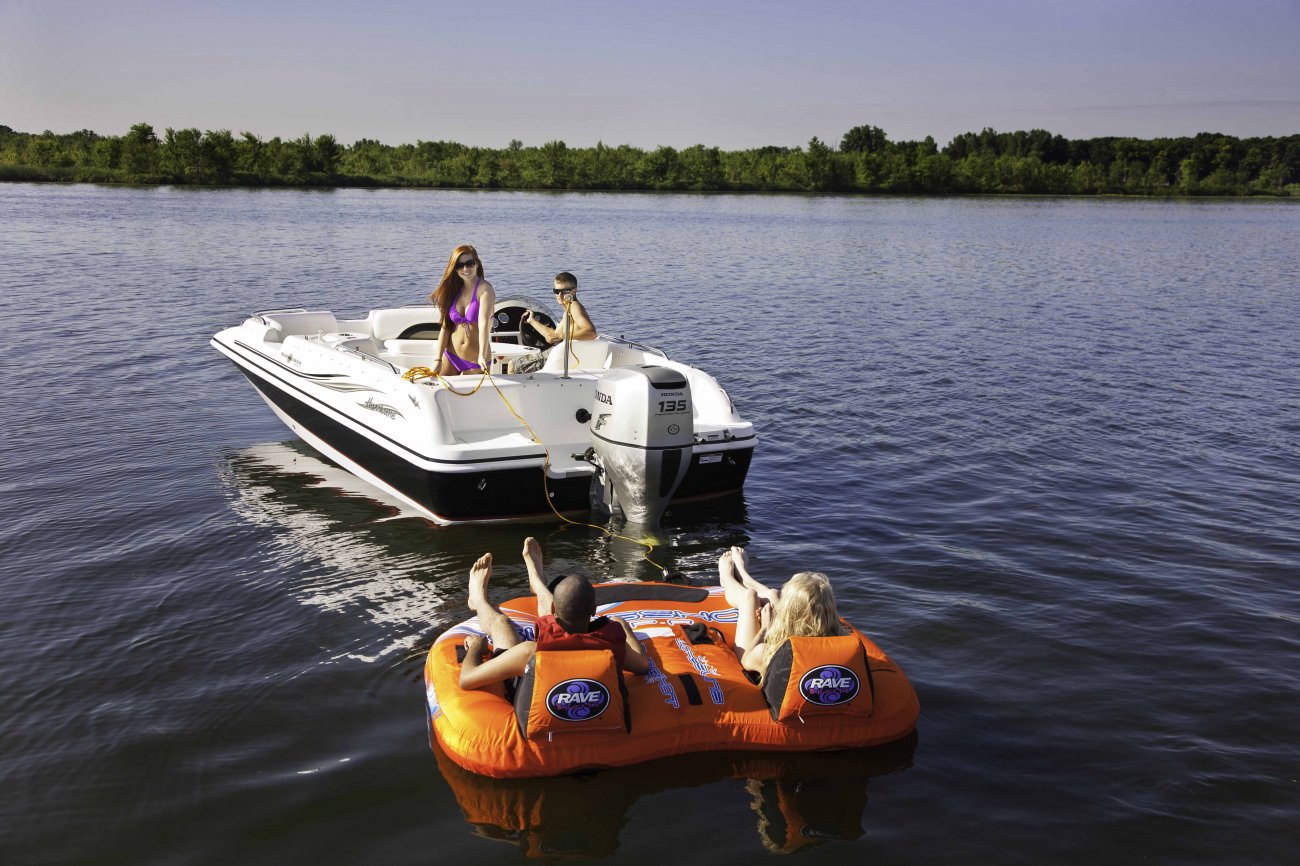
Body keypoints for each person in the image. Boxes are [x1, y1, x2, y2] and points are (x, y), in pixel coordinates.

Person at [460, 538, 650, 694]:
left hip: (534, 698)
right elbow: (642, 666)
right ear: (593, 610)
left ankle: (477, 600)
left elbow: (467, 679)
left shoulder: (529, 653)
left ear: (552, 612)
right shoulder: (610, 644)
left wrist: (476, 646)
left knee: (500, 623)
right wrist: (623, 626)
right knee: (565, 603)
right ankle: (536, 581)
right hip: (599, 722)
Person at [717, 546, 848, 682]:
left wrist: (765, 628)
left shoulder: (773, 653)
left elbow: (746, 659)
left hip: (752, 652)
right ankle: (743, 575)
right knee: (773, 594)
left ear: (789, 610)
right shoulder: (841, 642)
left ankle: (726, 577)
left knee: (749, 597)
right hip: (801, 631)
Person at [508, 272, 596, 373]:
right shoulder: (568, 309)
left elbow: (591, 333)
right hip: (563, 353)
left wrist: (562, 335)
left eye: (564, 291)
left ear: (574, 291)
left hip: (566, 356)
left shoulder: (574, 306)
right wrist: (532, 321)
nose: (559, 295)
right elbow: (551, 337)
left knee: (513, 365)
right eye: (556, 291)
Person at [431, 244, 497, 375]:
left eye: (469, 263)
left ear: (477, 264)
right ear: (454, 269)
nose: (465, 269)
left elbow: (484, 324)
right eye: (460, 265)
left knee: (471, 396)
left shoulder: (485, 290)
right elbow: (446, 327)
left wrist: (482, 355)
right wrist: (437, 359)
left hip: (476, 361)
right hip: (451, 355)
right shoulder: (454, 290)